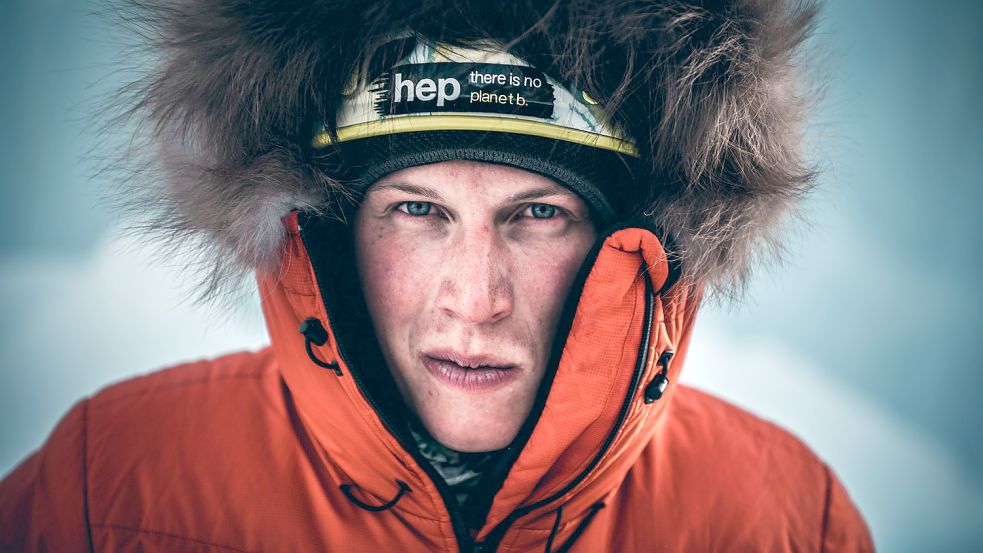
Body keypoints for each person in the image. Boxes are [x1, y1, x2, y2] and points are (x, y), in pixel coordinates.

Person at [0, 1, 875, 551]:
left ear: (631, 238)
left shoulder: (786, 520)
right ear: (334, 234)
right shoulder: (110, 484)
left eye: (538, 214)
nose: (473, 297)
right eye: (417, 211)